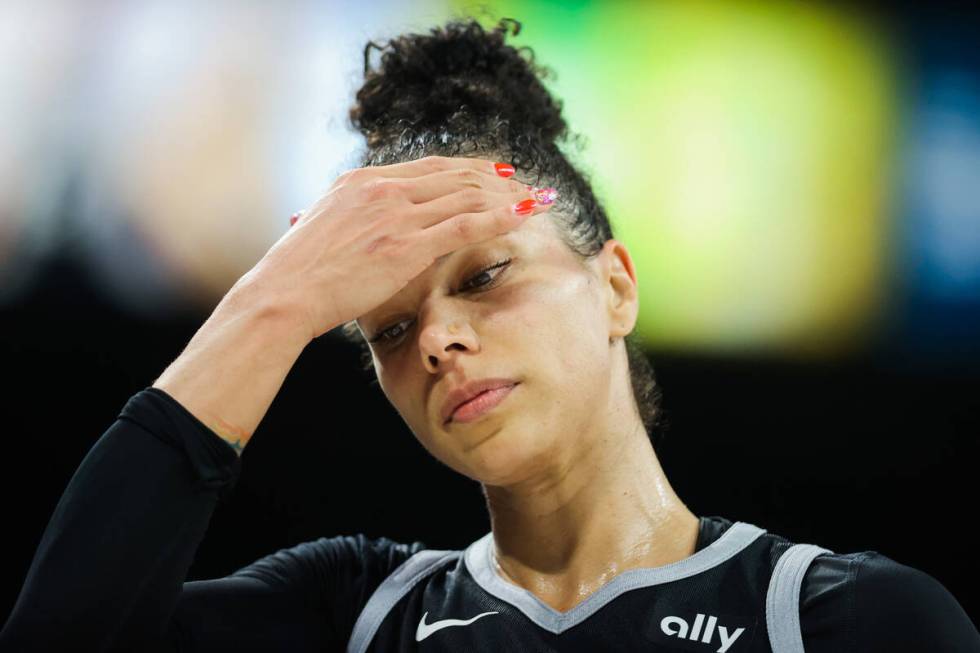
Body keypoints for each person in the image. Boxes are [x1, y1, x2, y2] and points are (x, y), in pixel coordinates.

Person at [2, 16, 978, 653]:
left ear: (615, 286)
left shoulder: (842, 619)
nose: (435, 340)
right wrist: (274, 300)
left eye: (483, 275)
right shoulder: (355, 613)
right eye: (386, 326)